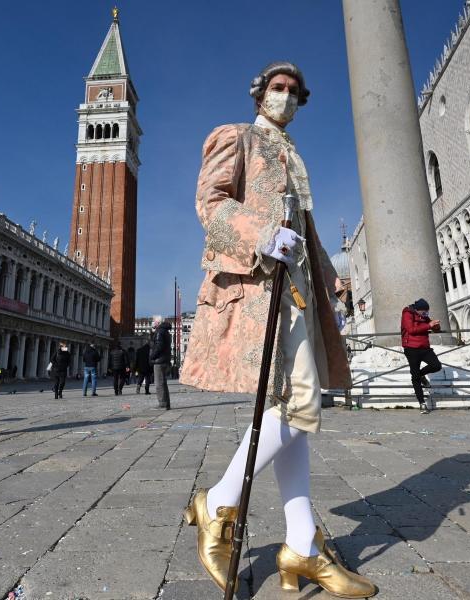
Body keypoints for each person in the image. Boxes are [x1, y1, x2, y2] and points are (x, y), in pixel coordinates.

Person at [179, 62, 373, 598]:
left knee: (291, 407)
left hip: (300, 291)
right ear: (260, 94)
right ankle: (220, 501)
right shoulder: (236, 137)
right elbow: (211, 203)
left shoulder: (293, 155)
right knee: (301, 405)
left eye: (294, 92)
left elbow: (305, 230)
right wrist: (263, 234)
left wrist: (331, 281)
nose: (285, 97)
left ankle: (301, 544)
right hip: (262, 288)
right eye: (277, 88)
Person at [401, 298, 442, 414]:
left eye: (427, 312)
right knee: (415, 377)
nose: (426, 314)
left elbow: (432, 328)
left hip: (424, 347)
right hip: (411, 348)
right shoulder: (407, 314)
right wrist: (428, 325)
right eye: (424, 312)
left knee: (436, 365)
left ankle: (421, 375)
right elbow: (411, 330)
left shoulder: (424, 316)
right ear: (418, 310)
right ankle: (422, 403)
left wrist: (436, 326)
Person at [150, 319, 172, 409]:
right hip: (165, 359)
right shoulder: (166, 332)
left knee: (159, 383)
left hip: (159, 360)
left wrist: (152, 356)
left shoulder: (159, 332)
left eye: (153, 326)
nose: (153, 328)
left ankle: (162, 403)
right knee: (163, 382)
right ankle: (166, 403)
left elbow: (159, 346)